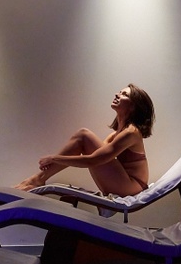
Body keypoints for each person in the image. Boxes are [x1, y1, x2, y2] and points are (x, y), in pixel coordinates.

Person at [15, 84, 155, 197]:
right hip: (125, 184)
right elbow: (93, 156)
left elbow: (93, 160)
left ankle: (36, 180)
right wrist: (56, 160)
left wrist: (54, 158)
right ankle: (37, 179)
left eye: (124, 94)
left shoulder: (131, 132)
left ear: (133, 106)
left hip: (132, 187)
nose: (117, 94)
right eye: (119, 92)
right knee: (83, 138)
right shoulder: (117, 134)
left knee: (84, 135)